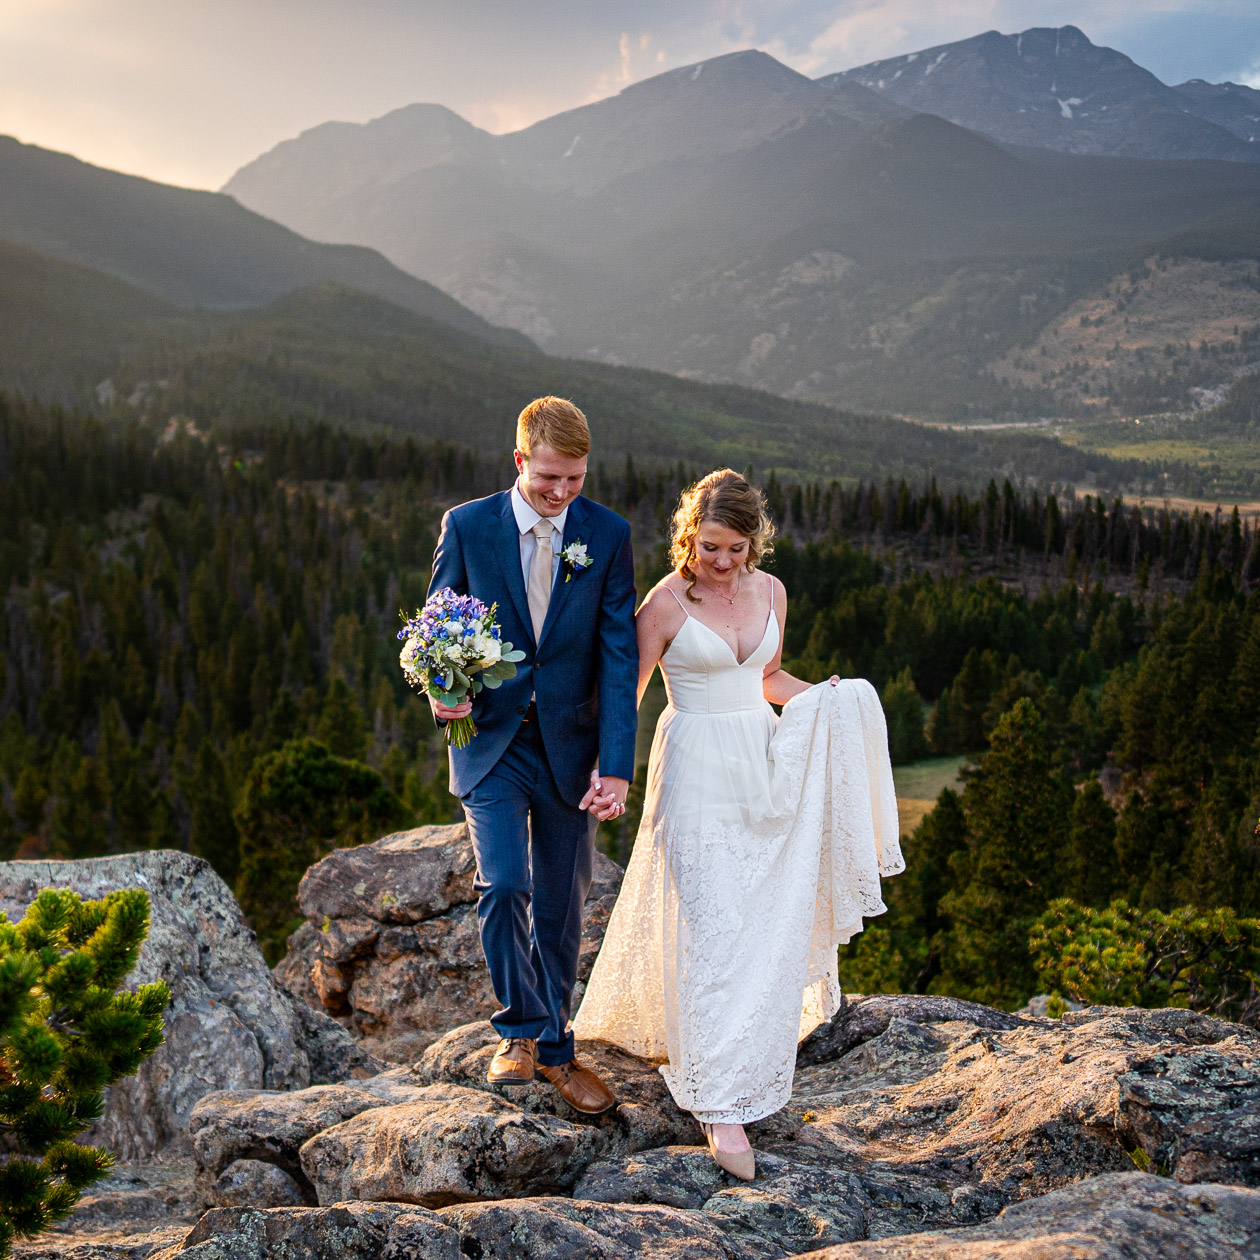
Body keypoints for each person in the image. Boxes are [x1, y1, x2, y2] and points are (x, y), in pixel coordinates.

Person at [574, 468, 902, 1177]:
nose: (720, 563)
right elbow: (623, 698)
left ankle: (737, 1046)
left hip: (761, 760)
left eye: (735, 550)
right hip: (694, 765)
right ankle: (722, 1106)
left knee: (752, 914)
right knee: (711, 922)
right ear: (688, 538)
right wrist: (608, 774)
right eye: (708, 548)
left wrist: (827, 700)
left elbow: (766, 679)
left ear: (757, 544)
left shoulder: (772, 592)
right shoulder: (664, 603)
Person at [427, 396, 638, 1114]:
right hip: (490, 739)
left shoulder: (607, 536)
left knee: (561, 901)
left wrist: (615, 764)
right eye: (549, 477)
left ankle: (552, 1044)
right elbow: (435, 628)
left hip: (572, 746)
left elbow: (617, 656)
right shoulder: (468, 525)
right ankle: (525, 1034)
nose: (561, 493)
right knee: (504, 886)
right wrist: (440, 691)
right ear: (521, 460)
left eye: (575, 479)